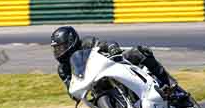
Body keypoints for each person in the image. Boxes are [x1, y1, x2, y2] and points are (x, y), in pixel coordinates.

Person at [50, 26, 186, 102]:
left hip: (115, 64)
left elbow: (104, 44)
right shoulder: (63, 69)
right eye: (56, 49)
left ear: (71, 41)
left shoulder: (87, 43)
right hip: (98, 85)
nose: (59, 52)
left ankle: (168, 83)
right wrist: (74, 94)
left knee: (141, 52)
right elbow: (70, 86)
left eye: (61, 47)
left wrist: (112, 47)